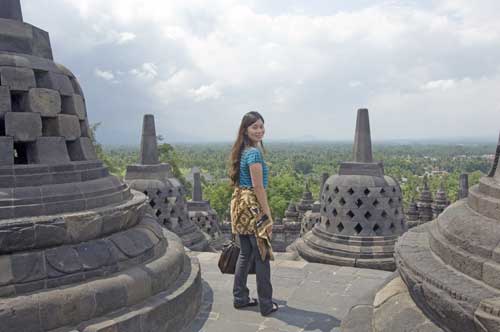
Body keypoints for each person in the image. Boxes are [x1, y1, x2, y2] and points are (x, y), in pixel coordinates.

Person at [229, 111, 278, 316]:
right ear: (246, 130)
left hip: (239, 204)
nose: (259, 130)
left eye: (261, 126)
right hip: (252, 206)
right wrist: (267, 215)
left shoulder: (242, 151)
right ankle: (266, 304)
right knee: (262, 255)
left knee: (245, 253)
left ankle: (240, 297)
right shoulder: (254, 153)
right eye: (254, 127)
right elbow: (258, 187)